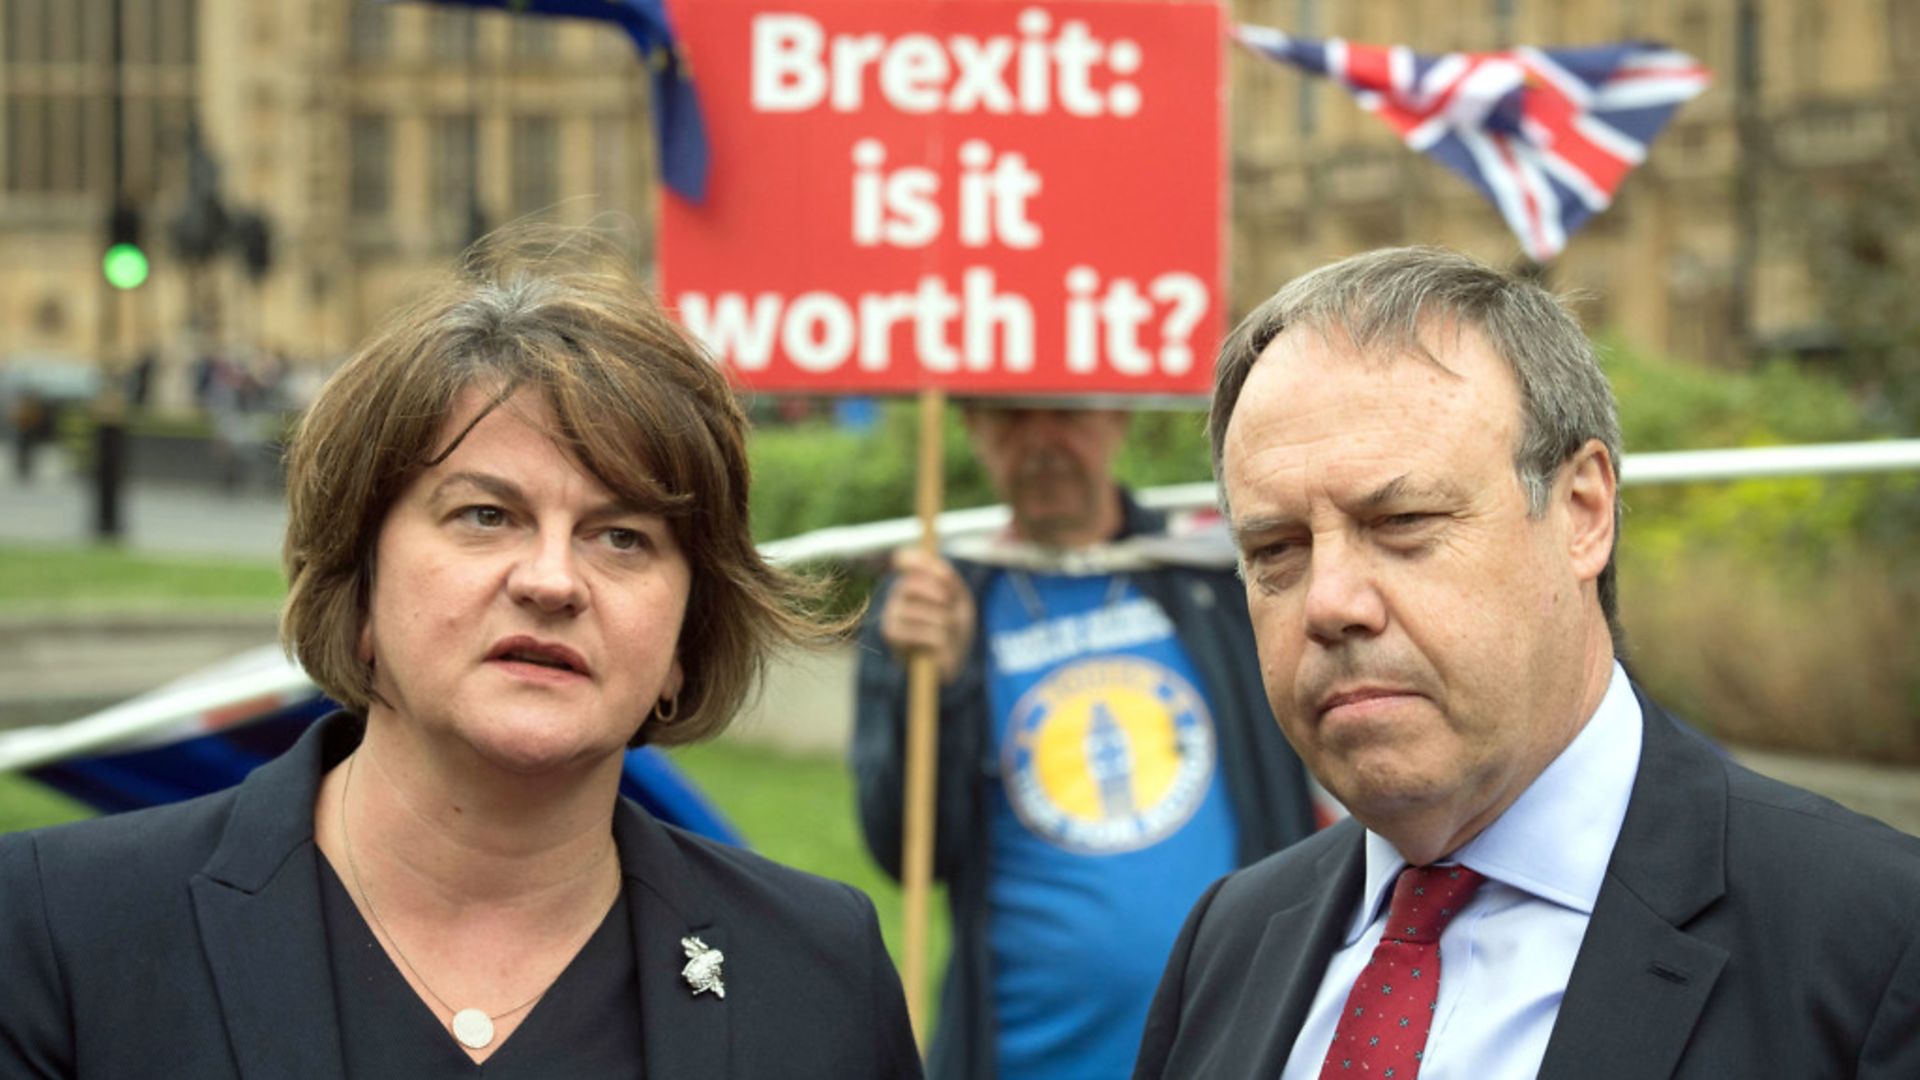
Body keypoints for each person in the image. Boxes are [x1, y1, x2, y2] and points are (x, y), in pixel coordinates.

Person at [0, 228, 921, 1078]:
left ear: (684, 641)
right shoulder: (60, 931)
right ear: (359, 588)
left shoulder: (820, 973)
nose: (553, 580)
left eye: (623, 537)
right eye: (486, 515)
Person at [1133, 247, 1920, 1079]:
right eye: (1277, 548)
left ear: (1583, 513)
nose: (1330, 603)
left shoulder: (1872, 945)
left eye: (1402, 520)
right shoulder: (1228, 942)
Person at [853, 400, 1320, 1080]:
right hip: (1023, 1059)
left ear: (1120, 416)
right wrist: (939, 686)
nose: (1043, 440)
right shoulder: (935, 602)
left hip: (1232, 1049)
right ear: (972, 427)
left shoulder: (1217, 579)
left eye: (1069, 413)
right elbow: (907, 853)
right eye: (1012, 418)